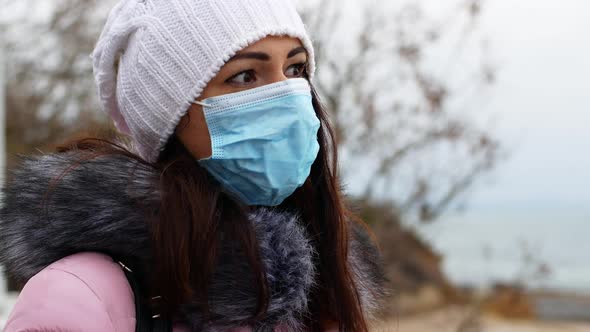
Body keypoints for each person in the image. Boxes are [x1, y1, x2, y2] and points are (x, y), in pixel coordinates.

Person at [0, 0, 387, 331]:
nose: (286, 96)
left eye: (295, 69)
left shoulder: (322, 289)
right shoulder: (80, 295)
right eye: (244, 75)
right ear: (170, 115)